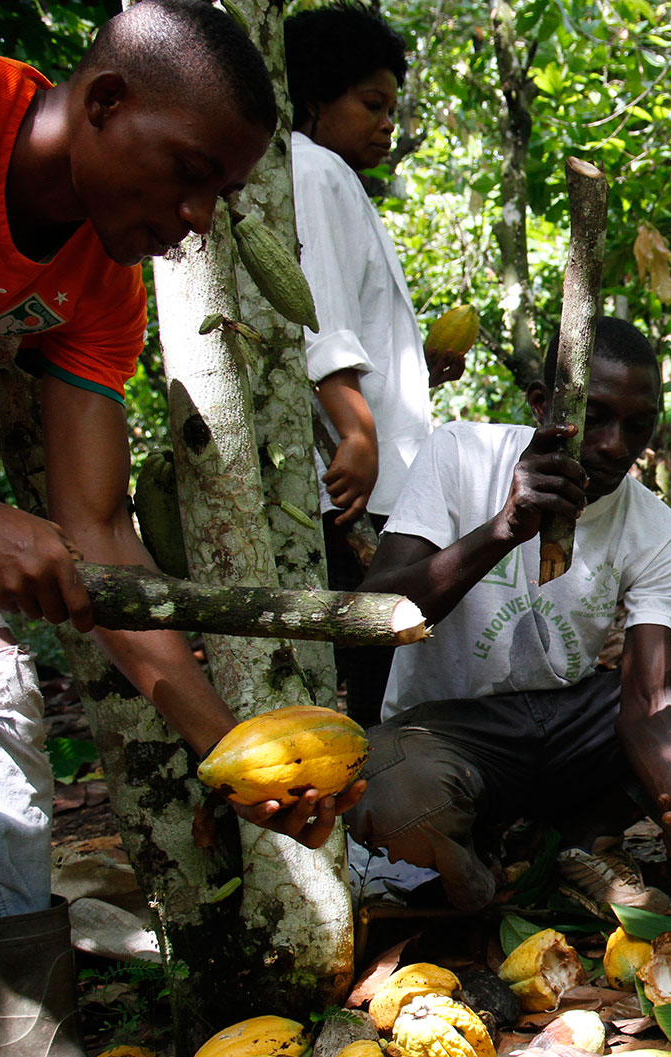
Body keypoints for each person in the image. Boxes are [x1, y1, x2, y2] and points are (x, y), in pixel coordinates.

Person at [0, 0, 343, 1057]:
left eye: (217, 196)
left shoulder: (99, 281)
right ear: (106, 101)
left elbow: (101, 541)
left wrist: (231, 750)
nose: (190, 219)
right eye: (186, 174)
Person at [345, 318, 671, 911]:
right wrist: (503, 529)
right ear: (542, 404)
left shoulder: (657, 532)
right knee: (392, 794)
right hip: (449, 731)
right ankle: (486, 876)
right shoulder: (460, 453)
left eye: (637, 425)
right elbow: (374, 616)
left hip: (568, 727)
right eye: (594, 417)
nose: (614, 446)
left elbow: (647, 705)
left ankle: (585, 838)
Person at [285, 2, 450, 724]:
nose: (388, 123)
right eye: (371, 104)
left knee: (383, 652)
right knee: (374, 658)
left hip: (382, 472)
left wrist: (417, 372)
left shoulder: (336, 176)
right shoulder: (313, 168)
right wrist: (355, 430)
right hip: (360, 482)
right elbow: (318, 315)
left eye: (392, 107)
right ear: (315, 100)